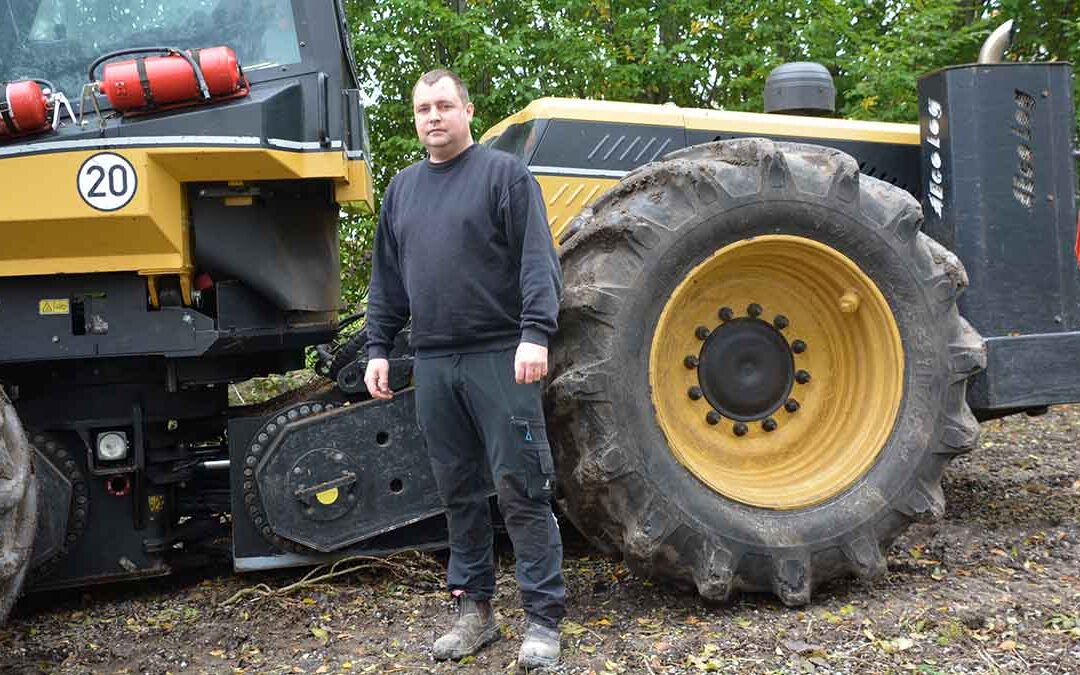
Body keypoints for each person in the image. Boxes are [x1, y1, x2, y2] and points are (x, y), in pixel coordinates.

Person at [363, 68, 565, 670]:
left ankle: (542, 621)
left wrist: (535, 334)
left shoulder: (504, 176)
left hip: (502, 356)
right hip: (433, 361)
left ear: (468, 111)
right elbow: (387, 282)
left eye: (444, 105)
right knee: (457, 492)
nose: (433, 117)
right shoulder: (402, 190)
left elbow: (537, 262)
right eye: (423, 107)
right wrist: (378, 347)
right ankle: (475, 613)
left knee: (521, 486)